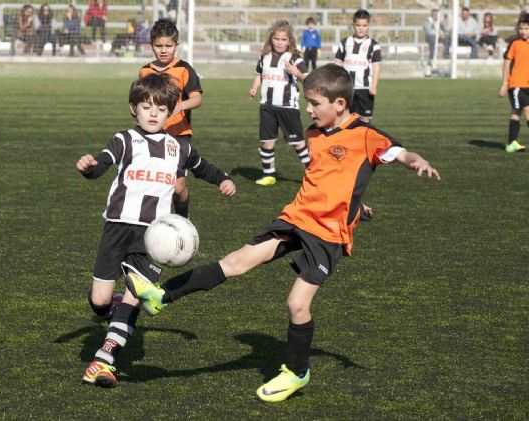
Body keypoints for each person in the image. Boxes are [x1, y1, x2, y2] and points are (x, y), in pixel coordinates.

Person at [126, 63, 441, 403]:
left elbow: (399, 153)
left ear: (338, 104)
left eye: (314, 103)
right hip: (296, 217)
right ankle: (161, 297)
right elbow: (327, 177)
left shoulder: (365, 135)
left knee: (296, 304)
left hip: (328, 235)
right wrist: (356, 203)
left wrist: (416, 161)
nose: (307, 109)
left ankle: (296, 372)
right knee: (236, 262)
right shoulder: (314, 134)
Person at [79, 73, 236, 387]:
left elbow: (202, 166)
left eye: (161, 109)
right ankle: (117, 306)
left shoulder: (179, 147)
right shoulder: (124, 140)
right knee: (99, 302)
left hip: (153, 237)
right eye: (146, 106)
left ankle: (102, 362)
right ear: (133, 108)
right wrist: (89, 167)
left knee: (135, 298)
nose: (153, 113)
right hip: (117, 229)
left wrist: (222, 179)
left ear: (172, 111)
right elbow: (102, 165)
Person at [138, 19, 203, 218]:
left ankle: (183, 218)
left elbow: (197, 98)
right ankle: (153, 220)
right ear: (152, 46)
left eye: (168, 46)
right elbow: (141, 99)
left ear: (176, 45)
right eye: (159, 46)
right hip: (151, 134)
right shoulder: (145, 71)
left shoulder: (184, 69)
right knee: (153, 181)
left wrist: (181, 105)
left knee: (177, 188)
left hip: (178, 135)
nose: (164, 50)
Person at [249, 19, 310, 186]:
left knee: (298, 143)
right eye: (276, 39)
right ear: (271, 39)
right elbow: (259, 74)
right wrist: (254, 87)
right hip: (267, 106)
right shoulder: (265, 57)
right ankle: (268, 175)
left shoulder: (294, 59)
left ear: (289, 41)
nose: (279, 42)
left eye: (283, 39)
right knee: (266, 141)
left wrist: (296, 72)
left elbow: (308, 80)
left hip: (287, 107)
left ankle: (312, 173)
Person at [335, 9, 381, 123]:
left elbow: (376, 67)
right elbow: (338, 63)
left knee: (364, 121)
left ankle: (363, 140)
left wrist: (374, 86)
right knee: (345, 120)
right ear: (353, 25)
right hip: (347, 88)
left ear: (368, 26)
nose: (361, 28)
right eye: (358, 25)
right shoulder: (345, 43)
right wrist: (336, 83)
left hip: (365, 89)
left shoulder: (373, 45)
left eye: (364, 25)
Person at [499, 13, 529, 153]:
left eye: (526, 28)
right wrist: (505, 84)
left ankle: (512, 143)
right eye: (521, 28)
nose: (523, 31)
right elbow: (506, 62)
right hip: (517, 85)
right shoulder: (515, 43)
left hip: (527, 85)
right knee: (528, 111)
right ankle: (512, 143)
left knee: (516, 113)